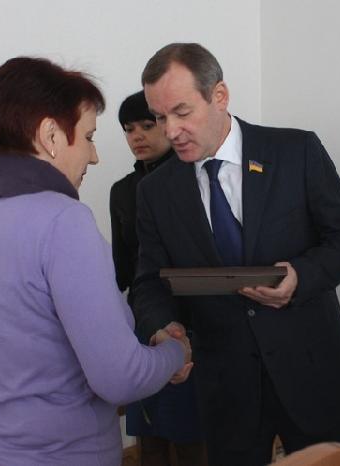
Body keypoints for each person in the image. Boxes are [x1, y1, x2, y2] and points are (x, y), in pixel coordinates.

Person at [0, 56, 191, 466]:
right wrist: (174, 352)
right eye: (88, 137)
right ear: (51, 135)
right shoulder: (64, 221)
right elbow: (120, 378)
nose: (94, 156)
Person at [132, 43, 340, 466]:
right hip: (226, 386)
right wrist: (162, 327)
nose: (170, 131)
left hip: (312, 370)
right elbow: (150, 282)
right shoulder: (154, 191)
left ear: (219, 96)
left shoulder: (296, 151)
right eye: (160, 117)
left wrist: (301, 276)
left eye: (182, 112)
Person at [110, 91, 208, 466]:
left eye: (146, 126)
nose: (137, 136)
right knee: (148, 432)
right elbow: (122, 269)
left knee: (192, 434)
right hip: (143, 321)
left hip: (192, 319)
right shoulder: (123, 191)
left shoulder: (196, 176)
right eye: (128, 129)